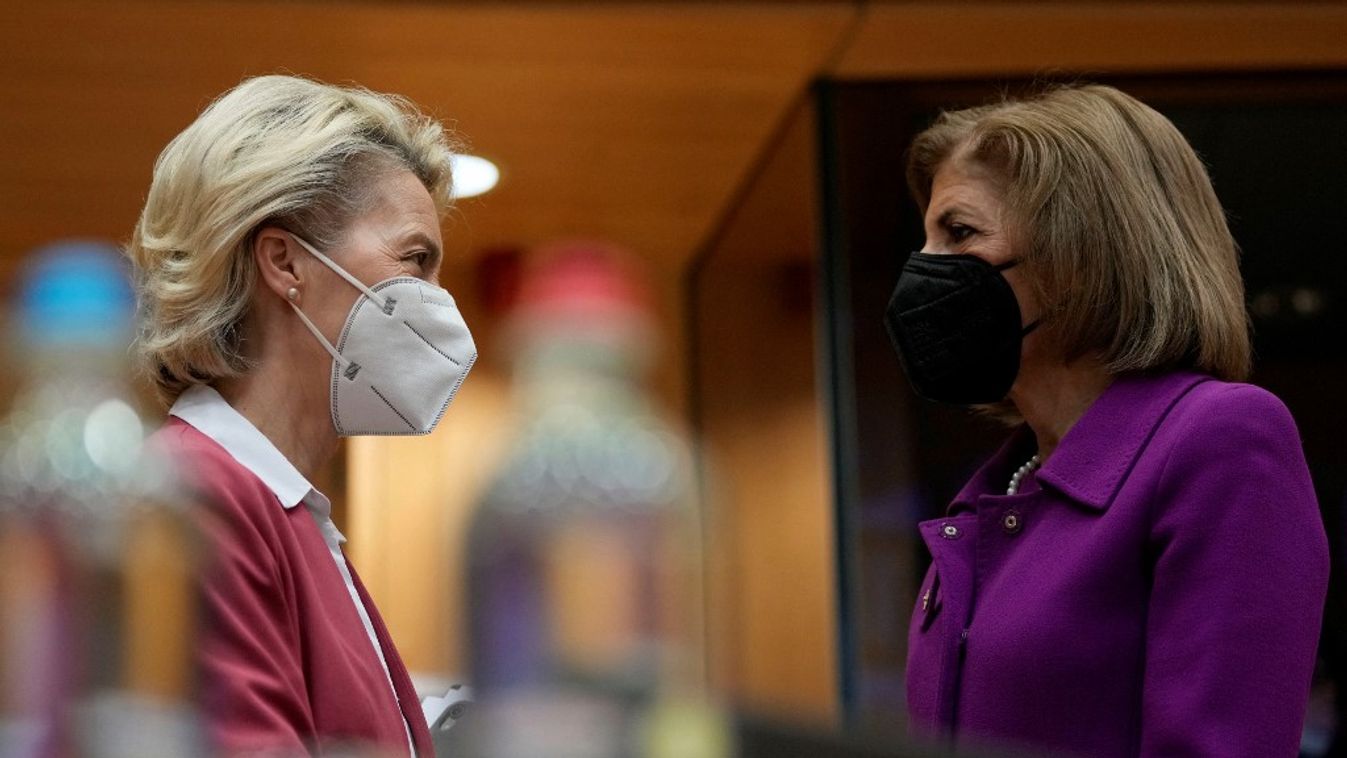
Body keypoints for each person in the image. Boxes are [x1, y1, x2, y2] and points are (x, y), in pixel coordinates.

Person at [884, 84, 1329, 757]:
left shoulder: (1219, 439)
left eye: (959, 233)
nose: (923, 269)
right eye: (926, 239)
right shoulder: (995, 492)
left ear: (1077, 253)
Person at [126, 74, 477, 756]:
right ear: (285, 261)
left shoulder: (288, 512)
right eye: (415, 260)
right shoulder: (197, 496)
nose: (441, 303)